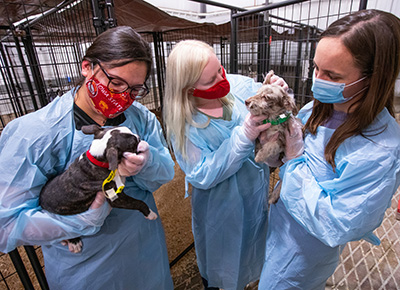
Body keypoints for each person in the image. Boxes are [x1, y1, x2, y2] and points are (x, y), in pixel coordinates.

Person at [0, 26, 175, 289]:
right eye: (115, 82)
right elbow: (7, 225)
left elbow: (165, 174)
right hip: (87, 268)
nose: (123, 97)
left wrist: (148, 164)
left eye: (135, 89)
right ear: (87, 67)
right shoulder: (36, 134)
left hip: (144, 251)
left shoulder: (141, 118)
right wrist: (79, 222)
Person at [258, 9, 400, 289]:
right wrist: (274, 125)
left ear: (372, 78)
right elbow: (281, 158)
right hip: (281, 227)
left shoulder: (380, 149)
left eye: (332, 75)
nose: (318, 80)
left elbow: (337, 223)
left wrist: (295, 160)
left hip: (305, 252)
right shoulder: (317, 109)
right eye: (316, 68)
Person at [163, 40, 289, 290]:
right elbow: (202, 174)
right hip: (221, 210)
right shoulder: (185, 125)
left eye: (220, 70)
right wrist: (243, 137)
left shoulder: (237, 85)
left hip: (255, 194)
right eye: (210, 80)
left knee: (252, 251)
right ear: (189, 89)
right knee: (222, 262)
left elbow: (269, 100)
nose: (222, 79)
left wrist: (279, 90)